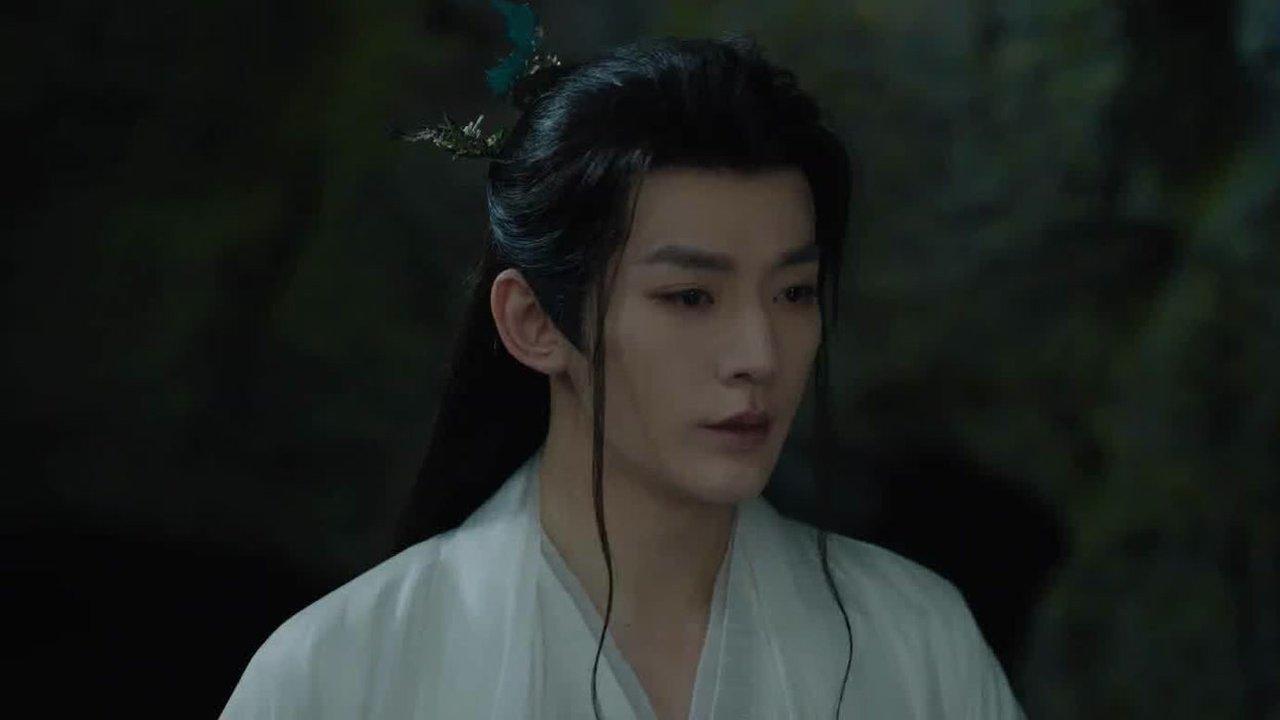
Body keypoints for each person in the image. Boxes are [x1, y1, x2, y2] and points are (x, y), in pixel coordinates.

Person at [220, 27, 1027, 720]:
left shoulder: (916, 640)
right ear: (534, 322)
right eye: (690, 297)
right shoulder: (341, 671)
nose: (759, 354)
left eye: (794, 292)